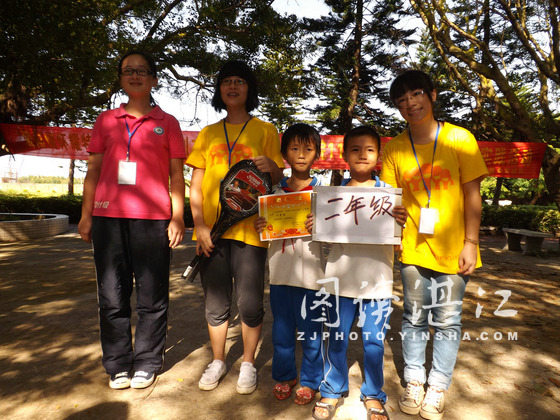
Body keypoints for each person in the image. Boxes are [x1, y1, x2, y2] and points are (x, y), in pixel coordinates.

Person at [381, 69, 488, 420]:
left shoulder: (459, 138)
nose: (410, 104)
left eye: (416, 94)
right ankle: (414, 381)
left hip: (455, 248)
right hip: (412, 247)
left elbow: (473, 195)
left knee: (447, 319)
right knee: (414, 317)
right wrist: (393, 215)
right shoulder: (395, 148)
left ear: (432, 95)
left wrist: (471, 242)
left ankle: (438, 385)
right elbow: (390, 199)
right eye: (401, 100)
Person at [78, 50, 186, 390]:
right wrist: (85, 214)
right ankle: (118, 364)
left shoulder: (168, 123)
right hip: (107, 218)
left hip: (153, 220)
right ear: (121, 78)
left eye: (142, 71)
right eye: (128, 71)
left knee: (152, 297)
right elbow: (93, 170)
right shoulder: (106, 120)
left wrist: (178, 217)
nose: (135, 76)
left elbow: (177, 175)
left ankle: (147, 361)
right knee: (112, 295)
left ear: (154, 79)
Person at [187, 60, 284, 395]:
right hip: (212, 233)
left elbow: (277, 179)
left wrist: (272, 167)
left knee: (250, 303)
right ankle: (217, 360)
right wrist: (199, 225)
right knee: (216, 303)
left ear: (249, 89)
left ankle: (247, 363)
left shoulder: (266, 130)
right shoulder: (208, 133)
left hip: (250, 232)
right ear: (219, 89)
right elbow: (195, 183)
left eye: (239, 81)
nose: (232, 86)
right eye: (226, 81)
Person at [309, 126, 406, 420]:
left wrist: (401, 222)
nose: (362, 155)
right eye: (355, 149)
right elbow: (322, 236)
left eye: (369, 150)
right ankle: (332, 389)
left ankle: (373, 394)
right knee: (337, 335)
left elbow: (399, 239)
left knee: (374, 340)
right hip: (340, 279)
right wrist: (315, 224)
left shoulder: (390, 195)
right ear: (344, 155)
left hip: (378, 281)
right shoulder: (332, 195)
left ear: (378, 155)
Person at [254, 123, 325, 405]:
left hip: (313, 276)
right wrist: (262, 225)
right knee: (282, 330)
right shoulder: (272, 192)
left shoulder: (325, 194)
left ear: (317, 154)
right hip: (281, 274)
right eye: (294, 148)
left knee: (312, 331)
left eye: (308, 149)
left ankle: (310, 380)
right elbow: (265, 230)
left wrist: (323, 224)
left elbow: (336, 232)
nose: (301, 154)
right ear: (284, 154)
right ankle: (285, 376)